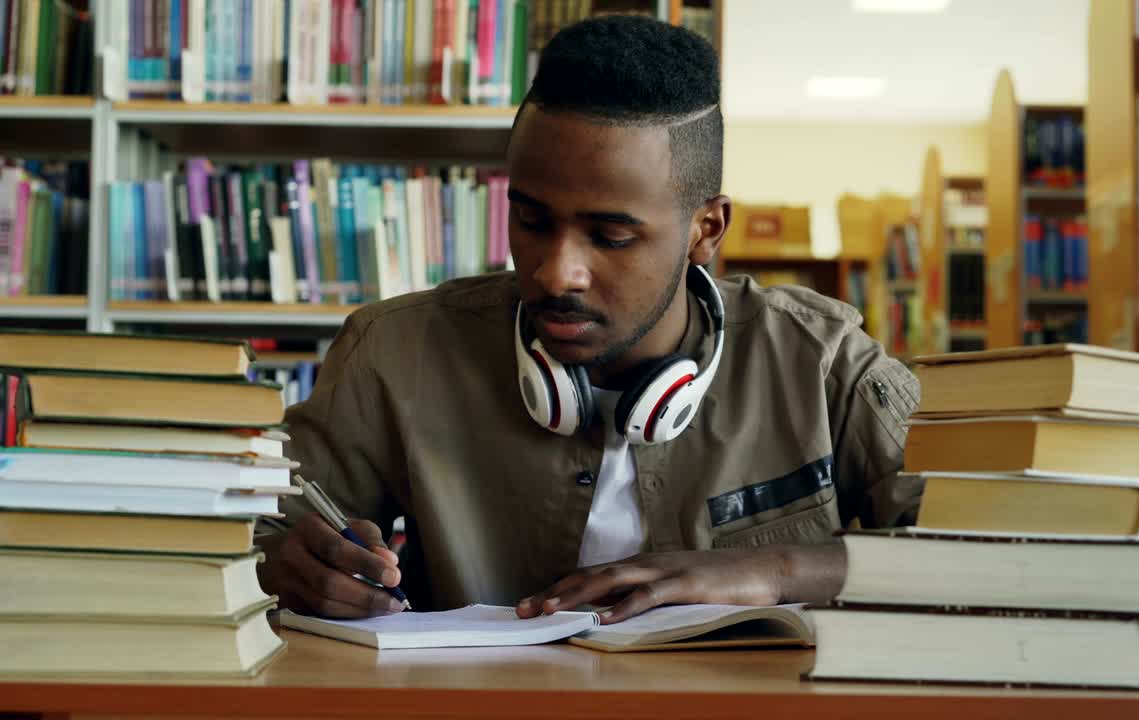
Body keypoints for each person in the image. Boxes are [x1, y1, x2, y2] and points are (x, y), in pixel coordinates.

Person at [257, 15, 922, 624]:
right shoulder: (395, 352)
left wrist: (776, 569)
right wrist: (288, 561)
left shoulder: (824, 361)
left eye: (609, 236)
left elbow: (1003, 554)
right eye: (531, 220)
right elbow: (246, 535)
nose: (554, 273)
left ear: (705, 230)